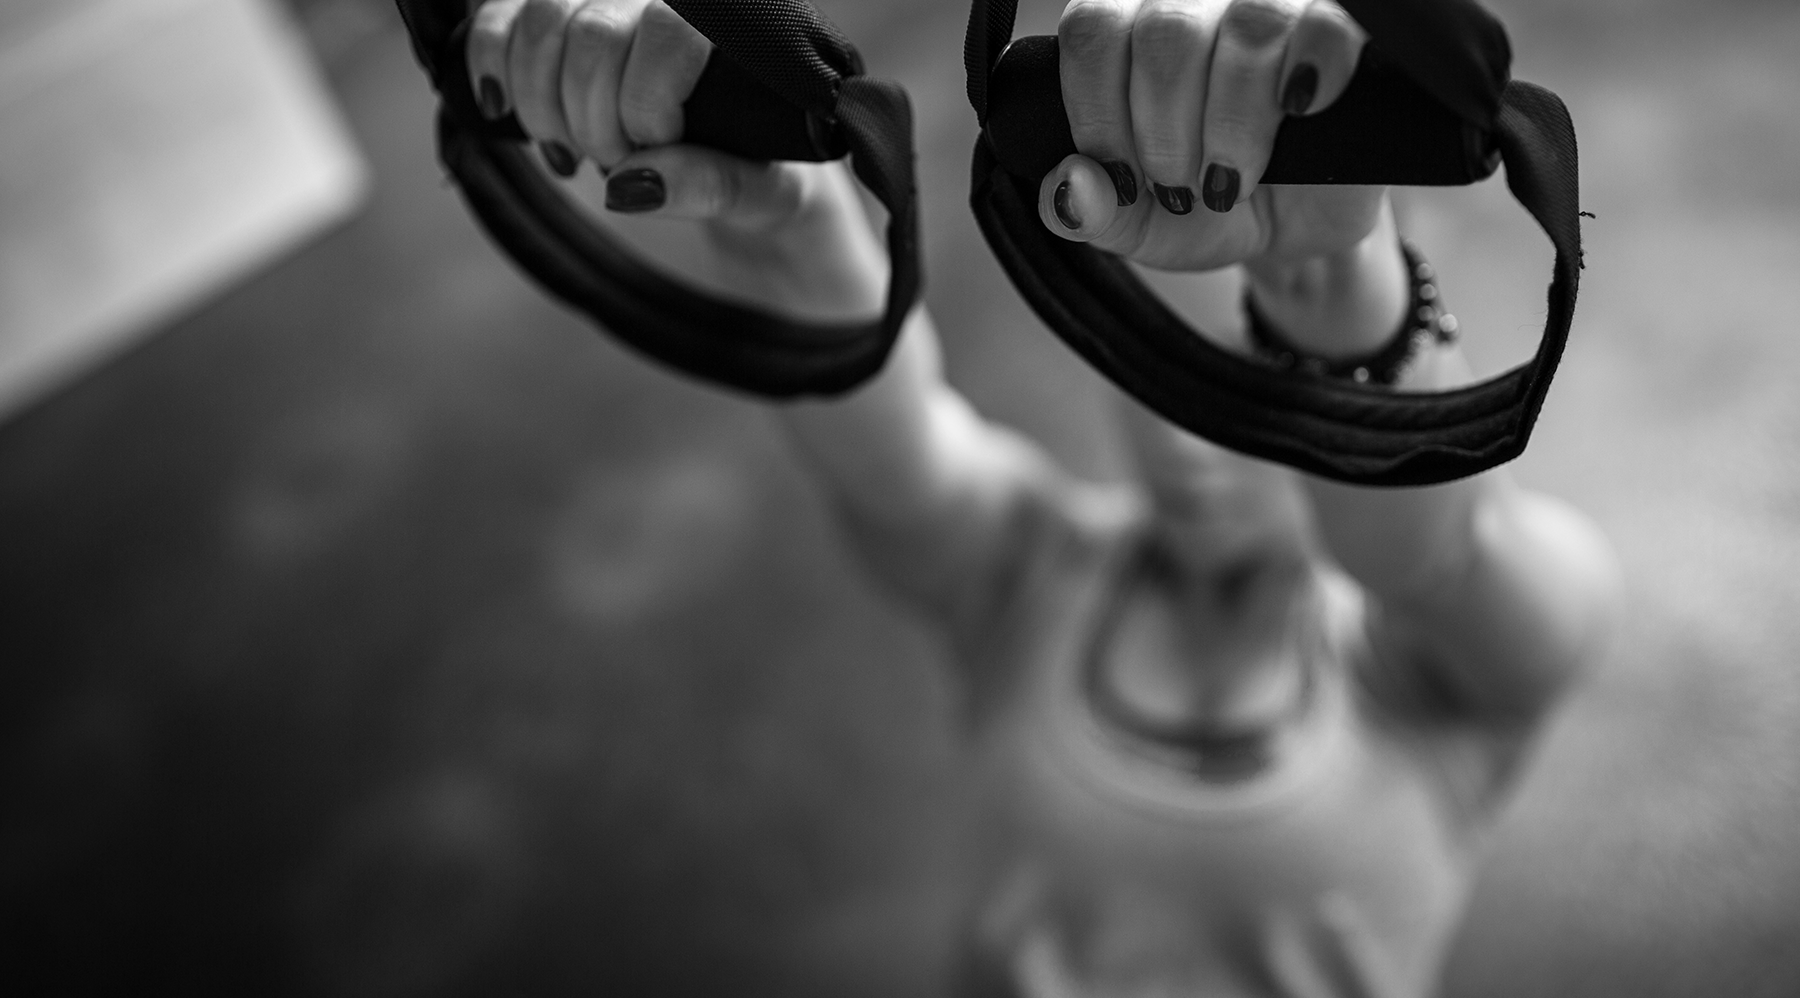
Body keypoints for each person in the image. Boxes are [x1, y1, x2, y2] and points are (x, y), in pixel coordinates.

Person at [463, 0, 1621, 994]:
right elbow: (885, 440)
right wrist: (789, 221)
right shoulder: (1030, 572)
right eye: (1151, 363)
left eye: (1238, 380)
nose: (1191, 442)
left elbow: (1431, 548)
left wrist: (1325, 278)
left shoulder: (1438, 658)